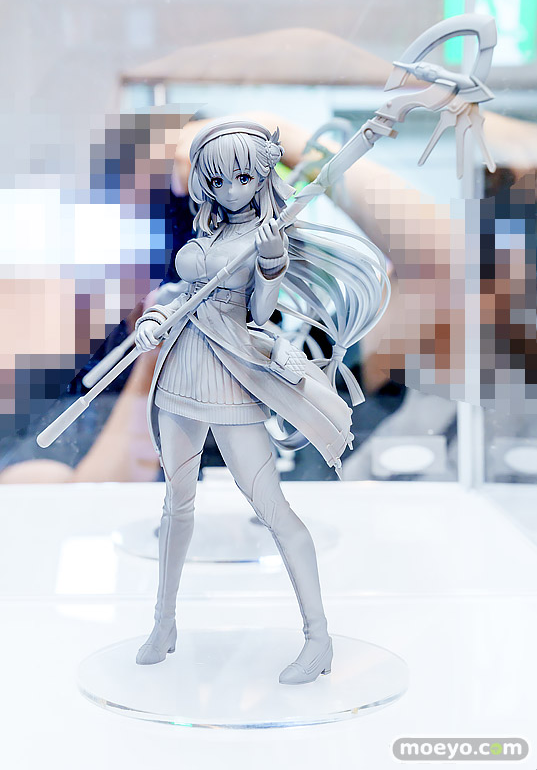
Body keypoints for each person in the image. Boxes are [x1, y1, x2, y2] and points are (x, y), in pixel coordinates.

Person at [133, 118, 387, 684]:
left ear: (261, 177)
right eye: (218, 180)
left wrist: (271, 263)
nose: (230, 191)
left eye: (243, 178)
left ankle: (318, 639)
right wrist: (156, 316)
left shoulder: (266, 235)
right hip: (180, 370)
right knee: (176, 504)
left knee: (271, 507)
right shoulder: (209, 232)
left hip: (230, 373)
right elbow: (181, 292)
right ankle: (163, 623)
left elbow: (259, 312)